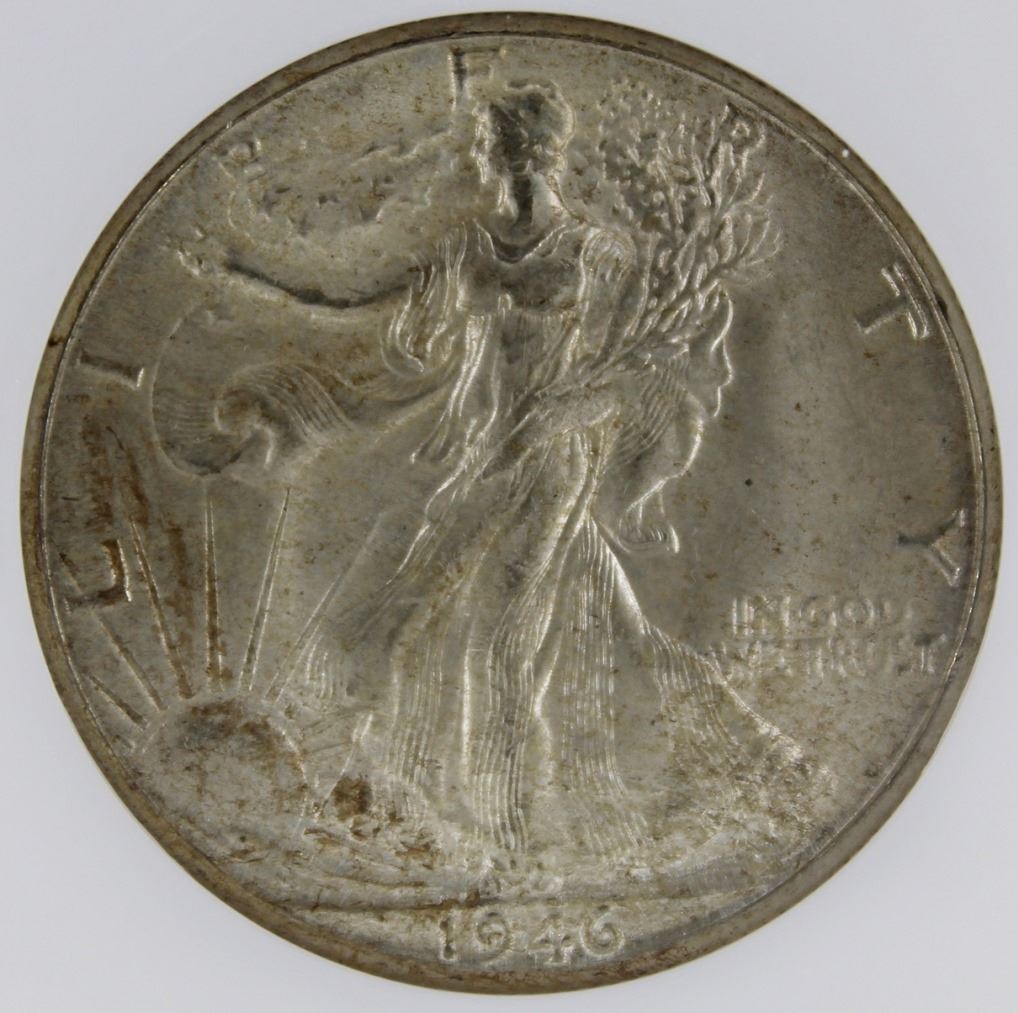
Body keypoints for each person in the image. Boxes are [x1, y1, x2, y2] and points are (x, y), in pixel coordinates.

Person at [166, 79, 828, 880]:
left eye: (486, 143)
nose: (478, 157)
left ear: (526, 152)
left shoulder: (598, 255)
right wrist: (245, 270)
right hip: (479, 457)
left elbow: (631, 372)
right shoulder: (467, 247)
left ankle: (510, 840)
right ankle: (398, 798)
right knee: (402, 617)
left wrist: (555, 417)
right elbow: (352, 294)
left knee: (502, 642)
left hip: (551, 462)